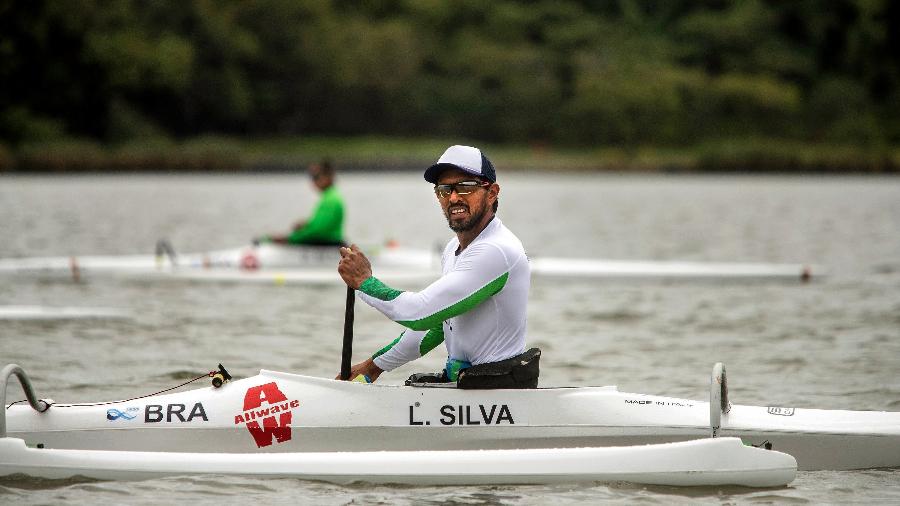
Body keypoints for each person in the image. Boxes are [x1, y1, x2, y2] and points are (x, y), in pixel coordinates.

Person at [337, 145, 539, 389]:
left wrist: (365, 283)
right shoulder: (454, 249)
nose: (453, 198)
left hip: (498, 391)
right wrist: (374, 366)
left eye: (466, 187)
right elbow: (438, 326)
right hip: (469, 387)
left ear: (492, 193)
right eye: (444, 190)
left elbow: (419, 314)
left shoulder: (495, 250)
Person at [255, 160, 345, 246]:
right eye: (312, 177)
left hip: (327, 242)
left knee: (267, 239)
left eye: (316, 177)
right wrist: (307, 224)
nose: (313, 181)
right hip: (327, 239)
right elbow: (321, 226)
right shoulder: (331, 196)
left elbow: (318, 231)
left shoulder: (331, 200)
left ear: (327, 178)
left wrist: (290, 238)